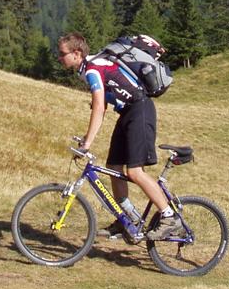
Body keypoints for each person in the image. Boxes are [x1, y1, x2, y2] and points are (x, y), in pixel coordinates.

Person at [56, 32, 184, 241]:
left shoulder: (93, 68)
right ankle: (128, 219)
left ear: (77, 53)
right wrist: (86, 137)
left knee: (134, 172)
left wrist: (88, 143)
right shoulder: (90, 67)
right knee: (114, 168)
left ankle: (170, 218)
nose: (59, 58)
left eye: (62, 54)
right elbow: (104, 102)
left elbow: (99, 107)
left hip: (140, 111)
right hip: (127, 114)